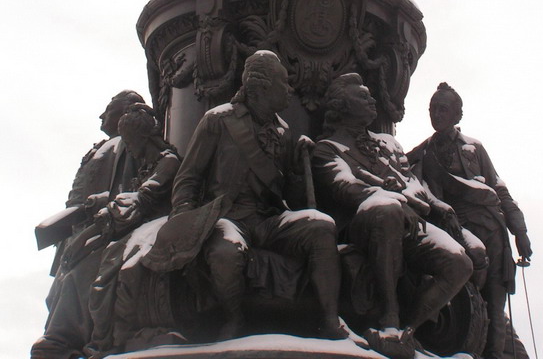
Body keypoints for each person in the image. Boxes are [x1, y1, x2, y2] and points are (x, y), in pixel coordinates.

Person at [169, 50, 345, 341]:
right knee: (226, 251)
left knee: (321, 227)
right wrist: (184, 220)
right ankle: (234, 319)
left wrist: (299, 169)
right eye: (283, 82)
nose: (290, 90)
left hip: (267, 221)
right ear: (261, 86)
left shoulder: (284, 132)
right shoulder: (218, 120)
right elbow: (188, 177)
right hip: (226, 217)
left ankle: (330, 321)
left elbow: (288, 195)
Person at [311, 74, 473, 359]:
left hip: (409, 222)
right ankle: (389, 320)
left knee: (460, 263)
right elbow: (346, 188)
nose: (372, 100)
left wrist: (409, 199)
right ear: (342, 105)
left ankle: (408, 332)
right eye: (363, 96)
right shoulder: (327, 149)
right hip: (363, 226)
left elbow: (414, 186)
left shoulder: (390, 144)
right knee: (387, 211)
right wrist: (392, 196)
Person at [407, 83, 532, 359]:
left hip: (491, 228)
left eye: (443, 109)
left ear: (457, 115)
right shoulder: (421, 154)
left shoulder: (474, 149)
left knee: (496, 298)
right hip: (456, 230)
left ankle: (494, 353)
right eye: (432, 109)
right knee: (469, 291)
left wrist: (519, 231)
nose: (436, 114)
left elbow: (500, 191)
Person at [32, 90, 145, 359]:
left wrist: (103, 204)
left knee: (79, 282)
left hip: (104, 228)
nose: (102, 115)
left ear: (126, 111)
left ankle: (62, 341)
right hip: (76, 232)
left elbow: (133, 187)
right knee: (57, 292)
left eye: (110, 108)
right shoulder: (103, 147)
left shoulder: (129, 144)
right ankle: (61, 340)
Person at [86, 104, 181, 357]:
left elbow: (145, 197)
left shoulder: (168, 162)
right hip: (140, 229)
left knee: (123, 274)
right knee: (102, 279)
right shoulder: (147, 166)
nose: (127, 148)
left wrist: (112, 209)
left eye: (129, 141)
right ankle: (102, 341)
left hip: (158, 228)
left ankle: (116, 340)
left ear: (143, 137)